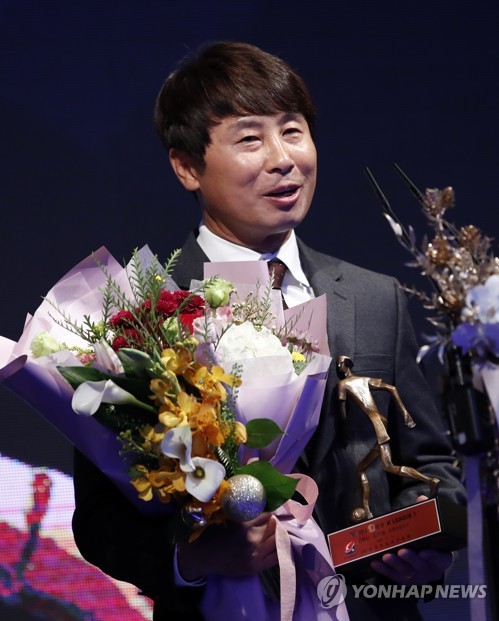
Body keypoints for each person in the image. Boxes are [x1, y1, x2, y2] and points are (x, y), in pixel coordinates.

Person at [72, 41, 466, 620]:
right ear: (186, 166)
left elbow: (430, 462)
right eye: (251, 139)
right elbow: (99, 520)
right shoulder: (139, 315)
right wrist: (194, 558)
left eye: (293, 131)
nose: (283, 159)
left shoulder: (374, 298)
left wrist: (427, 549)